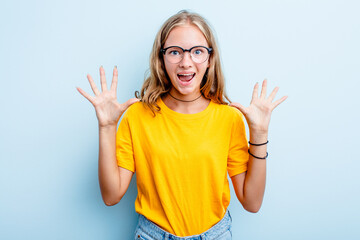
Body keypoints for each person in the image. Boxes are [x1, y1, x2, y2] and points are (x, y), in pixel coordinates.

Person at [77, 10, 287, 240]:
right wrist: (107, 128)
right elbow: (111, 196)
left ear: (210, 59)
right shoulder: (137, 116)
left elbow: (252, 202)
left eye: (197, 52)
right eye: (175, 52)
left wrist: (259, 133)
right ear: (161, 59)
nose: (186, 62)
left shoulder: (229, 118)